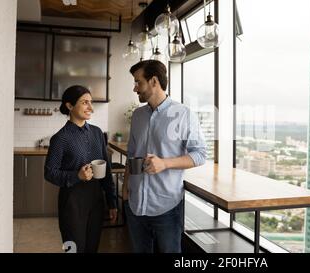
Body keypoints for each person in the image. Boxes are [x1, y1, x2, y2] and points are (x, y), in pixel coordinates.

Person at [122, 60, 207, 253]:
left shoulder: (183, 114)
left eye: (138, 82)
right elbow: (131, 154)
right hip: (135, 205)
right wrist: (126, 190)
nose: (135, 88)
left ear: (153, 81)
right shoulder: (137, 115)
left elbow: (200, 154)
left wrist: (165, 164)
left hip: (166, 207)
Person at [44, 85, 117, 253]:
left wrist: (112, 202)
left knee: (92, 248)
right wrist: (76, 176)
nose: (91, 108)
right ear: (70, 106)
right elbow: (49, 172)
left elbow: (106, 171)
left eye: (91, 102)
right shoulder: (60, 138)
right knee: (73, 250)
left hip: (96, 202)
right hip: (71, 204)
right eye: (85, 102)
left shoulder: (98, 133)